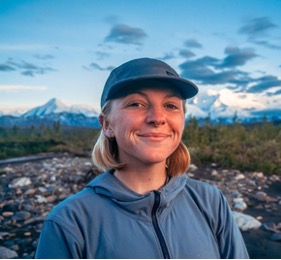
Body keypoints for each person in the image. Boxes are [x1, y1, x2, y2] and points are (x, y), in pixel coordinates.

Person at [35, 58, 249, 259]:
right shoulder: (69, 222)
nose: (157, 118)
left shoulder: (211, 201)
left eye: (171, 106)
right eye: (136, 104)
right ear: (107, 125)